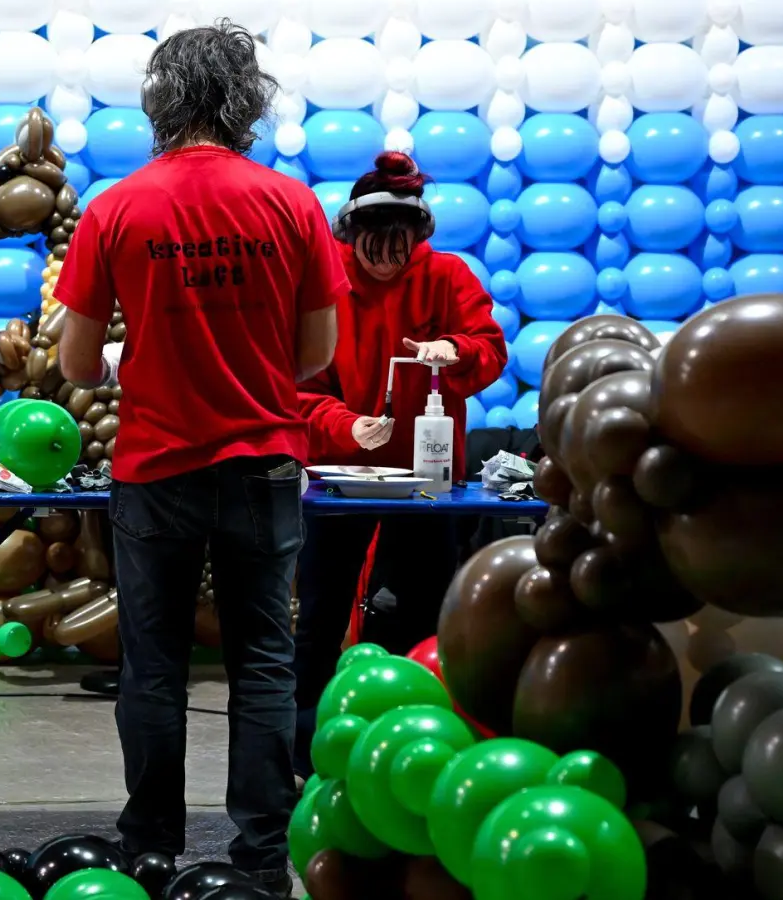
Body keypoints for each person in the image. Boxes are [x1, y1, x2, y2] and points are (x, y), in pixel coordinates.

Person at [53, 21, 349, 895]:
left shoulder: (116, 206)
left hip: (155, 466)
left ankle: (149, 848)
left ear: (161, 98)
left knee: (154, 664)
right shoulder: (290, 204)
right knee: (263, 659)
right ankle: (261, 859)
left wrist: (136, 354)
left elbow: (73, 365)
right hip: (263, 461)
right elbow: (315, 356)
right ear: (246, 98)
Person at [290, 151, 507, 777]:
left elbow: (489, 348)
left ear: (417, 239)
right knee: (320, 614)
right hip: (338, 481)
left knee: (421, 609)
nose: (385, 259)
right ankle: (304, 748)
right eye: (372, 246)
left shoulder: (447, 277)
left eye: (399, 247)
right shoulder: (322, 283)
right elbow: (297, 386)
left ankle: (415, 744)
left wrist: (455, 349)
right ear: (349, 236)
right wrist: (345, 425)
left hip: (429, 483)